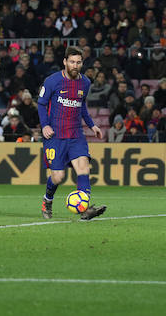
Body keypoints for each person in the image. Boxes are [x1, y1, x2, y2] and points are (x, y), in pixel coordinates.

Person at [37, 46, 107, 220]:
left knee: (83, 168)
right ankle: (47, 200)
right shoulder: (52, 81)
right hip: (55, 136)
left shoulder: (85, 83)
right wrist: (44, 125)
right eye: (72, 62)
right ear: (65, 62)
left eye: (78, 62)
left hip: (76, 135)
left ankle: (85, 209)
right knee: (58, 177)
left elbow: (81, 105)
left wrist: (92, 125)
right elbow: (41, 104)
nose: (75, 65)